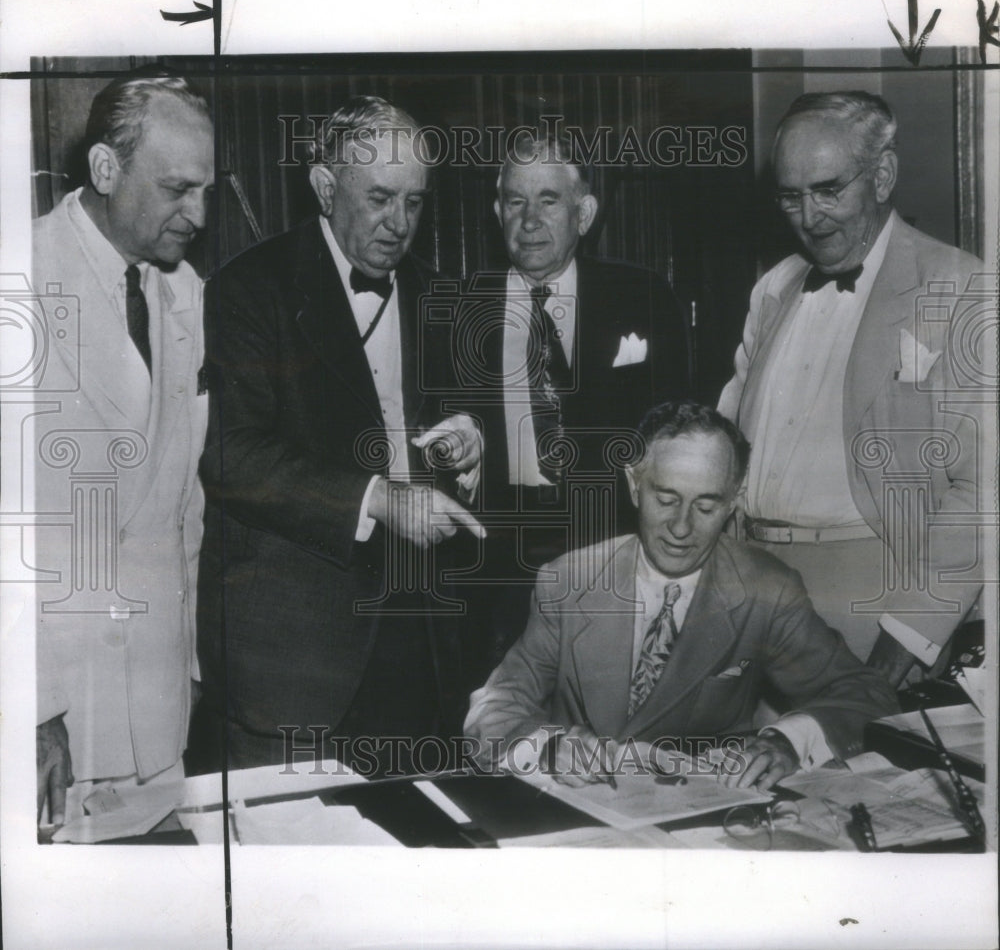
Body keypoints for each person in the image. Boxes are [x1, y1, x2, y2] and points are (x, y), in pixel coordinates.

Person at [193, 96, 484, 776]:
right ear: (325, 188)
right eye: (380, 198)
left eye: (415, 202)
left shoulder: (435, 294)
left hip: (418, 646)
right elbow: (232, 454)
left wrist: (466, 442)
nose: (400, 224)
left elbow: (450, 417)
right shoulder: (247, 290)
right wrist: (378, 499)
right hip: (294, 661)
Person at [464, 400, 898, 790]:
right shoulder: (569, 581)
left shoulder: (768, 588)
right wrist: (547, 747)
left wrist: (788, 741)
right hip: (579, 810)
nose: (681, 527)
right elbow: (496, 706)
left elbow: (867, 694)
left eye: (706, 507)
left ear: (734, 503)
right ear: (635, 485)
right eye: (666, 499)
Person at [718, 91, 989, 685]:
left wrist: (913, 635)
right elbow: (728, 444)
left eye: (828, 190)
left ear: (883, 176)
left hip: (877, 597)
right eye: (790, 197)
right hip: (754, 591)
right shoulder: (773, 289)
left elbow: (982, 490)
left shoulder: (960, 286)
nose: (809, 218)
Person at [33, 74, 214, 828]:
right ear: (106, 171)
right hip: (61, 709)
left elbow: (184, 504)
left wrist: (189, 664)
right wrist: (32, 711)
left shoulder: (185, 294)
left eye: (205, 189)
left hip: (158, 700)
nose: (198, 214)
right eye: (177, 188)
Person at [456, 132, 691, 672]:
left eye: (549, 200)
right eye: (515, 201)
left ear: (583, 213)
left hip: (613, 549)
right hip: (497, 563)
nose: (530, 219)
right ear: (498, 211)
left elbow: (681, 433)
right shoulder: (461, 308)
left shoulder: (644, 297)